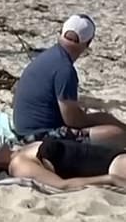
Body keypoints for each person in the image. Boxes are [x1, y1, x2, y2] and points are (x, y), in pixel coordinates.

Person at [13, 14, 126, 147]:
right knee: (116, 134)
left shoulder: (48, 56)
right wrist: (102, 118)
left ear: (61, 33)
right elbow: (73, 120)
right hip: (38, 138)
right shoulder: (64, 69)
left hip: (23, 128)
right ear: (88, 43)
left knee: (106, 122)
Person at [0, 138, 126, 191]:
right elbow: (61, 184)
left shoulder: (19, 150)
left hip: (113, 155)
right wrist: (110, 179)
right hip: (112, 166)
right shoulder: (18, 166)